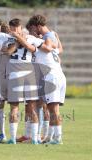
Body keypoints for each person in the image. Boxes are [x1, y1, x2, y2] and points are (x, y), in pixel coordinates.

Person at [28, 14, 66, 145]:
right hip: (59, 76)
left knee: (54, 110)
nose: (33, 31)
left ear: (38, 26)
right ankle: (50, 137)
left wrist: (37, 41)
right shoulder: (50, 36)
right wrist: (57, 38)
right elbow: (59, 50)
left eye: (33, 28)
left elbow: (48, 48)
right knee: (51, 109)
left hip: (52, 77)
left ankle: (58, 138)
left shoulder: (47, 38)